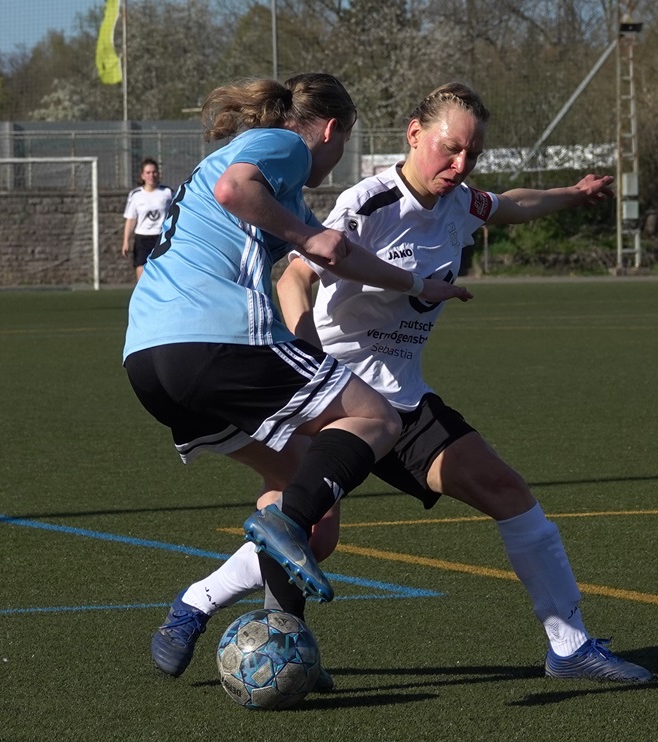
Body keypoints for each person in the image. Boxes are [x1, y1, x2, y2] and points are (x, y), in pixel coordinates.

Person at [150, 82, 654, 686]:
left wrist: (571, 194)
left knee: (504, 490)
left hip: (403, 396)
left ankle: (568, 646)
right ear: (414, 135)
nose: (460, 164)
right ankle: (203, 607)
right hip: (338, 392)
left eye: (472, 154)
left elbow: (510, 205)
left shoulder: (461, 202)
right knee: (310, 530)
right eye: (450, 148)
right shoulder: (369, 202)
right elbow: (294, 278)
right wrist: (309, 354)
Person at [122, 73, 473, 680]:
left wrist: (418, 284)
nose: (336, 158)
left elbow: (338, 253)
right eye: (344, 142)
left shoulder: (257, 174)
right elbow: (238, 192)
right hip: (215, 336)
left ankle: (203, 608)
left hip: (148, 359)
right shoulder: (282, 144)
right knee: (377, 417)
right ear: (331, 130)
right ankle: (280, 527)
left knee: (308, 501)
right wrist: (306, 234)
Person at [121, 158, 173, 282]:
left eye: (154, 172)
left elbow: (175, 214)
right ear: (142, 175)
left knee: (163, 275)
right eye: (148, 173)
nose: (151, 175)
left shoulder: (167, 192)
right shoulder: (136, 195)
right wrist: (126, 241)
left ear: (158, 174)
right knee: (142, 275)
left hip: (162, 238)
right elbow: (131, 219)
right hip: (142, 239)